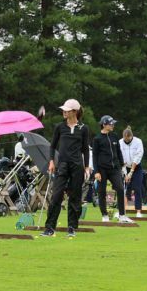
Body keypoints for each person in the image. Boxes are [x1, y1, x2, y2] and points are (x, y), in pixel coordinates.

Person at [42, 99, 90, 238]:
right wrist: (51, 161)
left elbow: (85, 149)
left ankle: (72, 228)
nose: (64, 112)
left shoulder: (83, 128)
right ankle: (50, 228)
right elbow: (52, 146)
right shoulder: (60, 127)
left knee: (74, 197)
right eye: (64, 110)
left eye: (67, 110)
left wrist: (87, 167)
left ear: (74, 112)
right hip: (62, 165)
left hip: (77, 166)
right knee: (56, 196)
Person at [92, 115, 132, 223]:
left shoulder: (114, 136)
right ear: (104, 125)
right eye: (111, 124)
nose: (113, 125)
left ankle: (122, 215)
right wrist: (96, 172)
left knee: (120, 189)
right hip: (102, 170)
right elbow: (94, 156)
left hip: (114, 169)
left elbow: (118, 152)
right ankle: (104, 215)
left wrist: (122, 166)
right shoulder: (97, 139)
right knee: (101, 192)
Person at [120, 126, 145, 217]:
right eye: (125, 139)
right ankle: (123, 211)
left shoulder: (138, 142)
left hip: (137, 167)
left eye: (128, 139)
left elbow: (138, 157)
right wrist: (125, 173)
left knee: (137, 188)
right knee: (124, 188)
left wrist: (131, 172)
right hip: (125, 167)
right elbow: (121, 158)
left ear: (131, 136)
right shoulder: (120, 142)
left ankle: (138, 211)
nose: (126, 141)